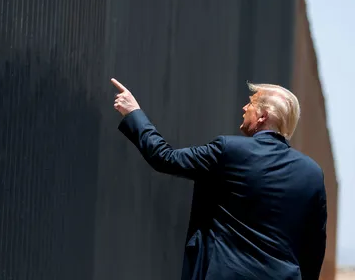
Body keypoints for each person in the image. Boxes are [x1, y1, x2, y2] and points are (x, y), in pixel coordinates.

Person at [111, 78, 327, 280]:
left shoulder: (229, 150)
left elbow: (165, 158)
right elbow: (314, 248)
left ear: (263, 116)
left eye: (250, 103)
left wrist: (134, 113)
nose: (244, 108)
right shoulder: (312, 173)